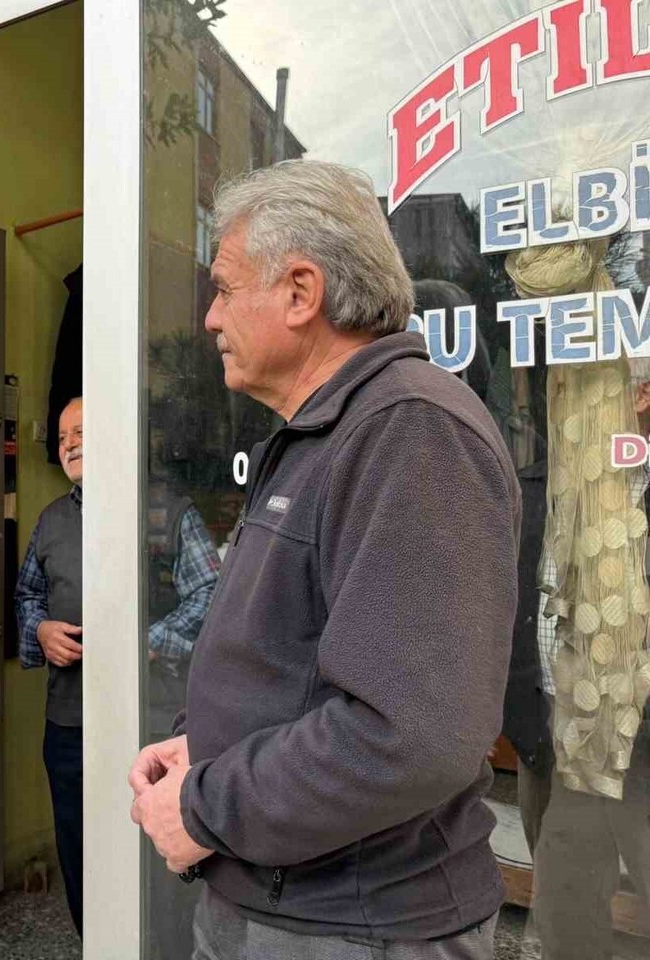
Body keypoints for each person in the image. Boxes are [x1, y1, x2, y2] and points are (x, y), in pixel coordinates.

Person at [129, 159, 520, 960]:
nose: (210, 317)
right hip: (289, 906)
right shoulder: (330, 430)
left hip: (353, 927)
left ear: (301, 292)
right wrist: (208, 747)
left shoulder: (412, 433)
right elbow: (296, 665)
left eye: (224, 288)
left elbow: (409, 736)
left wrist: (207, 805)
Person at [15, 395, 219, 936]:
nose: (69, 444)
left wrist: (145, 642)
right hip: (70, 722)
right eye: (62, 437)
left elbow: (212, 595)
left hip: (153, 722)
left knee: (154, 865)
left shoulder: (168, 511)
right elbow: (28, 595)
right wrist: (40, 630)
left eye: (81, 432)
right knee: (80, 853)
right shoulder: (51, 520)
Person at [513, 357, 650, 960]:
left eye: (577, 387)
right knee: (564, 908)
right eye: (559, 387)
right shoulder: (536, 487)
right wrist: (521, 719)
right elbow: (510, 601)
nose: (560, 403)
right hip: (548, 734)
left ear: (638, 396)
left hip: (640, 745)